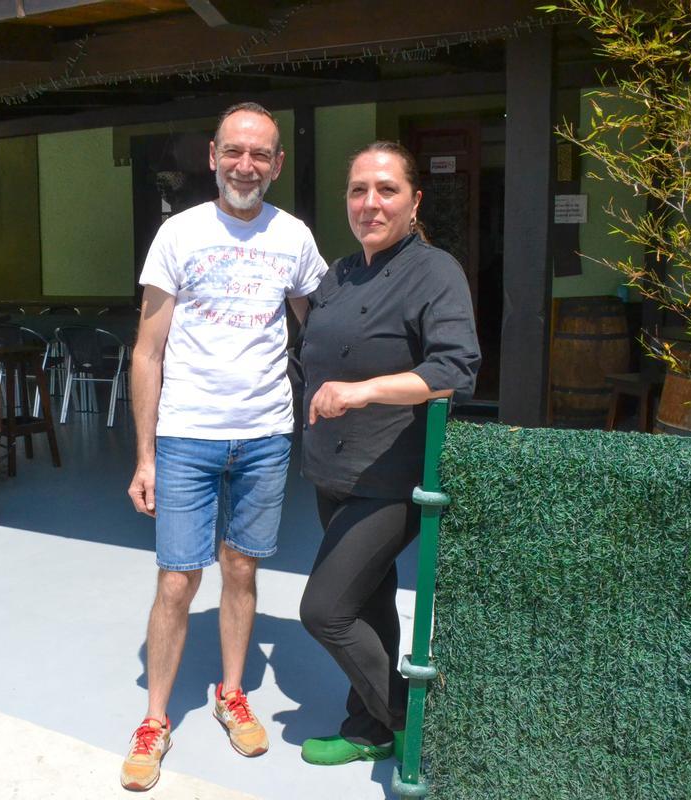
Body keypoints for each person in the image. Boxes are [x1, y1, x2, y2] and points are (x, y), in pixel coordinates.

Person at [122, 102, 328, 792]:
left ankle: (231, 692)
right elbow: (147, 353)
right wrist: (145, 456)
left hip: (265, 434)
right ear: (213, 155)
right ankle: (154, 720)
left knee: (240, 570)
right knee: (178, 578)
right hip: (187, 436)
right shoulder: (178, 235)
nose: (247, 165)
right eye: (235, 151)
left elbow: (321, 331)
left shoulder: (294, 237)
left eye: (260, 154)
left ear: (276, 164)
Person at [297, 141, 480, 765]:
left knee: (323, 610)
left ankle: (407, 719)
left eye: (386, 190)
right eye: (357, 191)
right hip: (332, 470)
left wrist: (364, 391)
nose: (370, 203)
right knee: (368, 601)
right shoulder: (339, 273)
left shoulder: (435, 271)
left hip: (392, 473)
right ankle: (366, 729)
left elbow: (455, 368)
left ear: (413, 200)